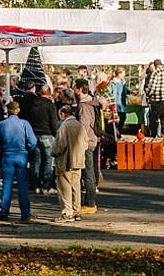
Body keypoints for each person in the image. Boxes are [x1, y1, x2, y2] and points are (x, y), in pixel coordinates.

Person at [0, 101, 37, 222]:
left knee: (7, 184)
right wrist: (27, 149)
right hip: (21, 156)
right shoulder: (24, 124)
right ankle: (25, 213)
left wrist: (1, 150)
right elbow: (33, 141)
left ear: (7, 111)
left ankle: (4, 212)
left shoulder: (1, 124)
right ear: (18, 110)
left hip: (7, 156)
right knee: (23, 185)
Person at [51, 104, 88, 223]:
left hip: (65, 161)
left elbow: (60, 145)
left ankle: (67, 213)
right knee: (76, 187)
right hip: (78, 161)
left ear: (62, 114)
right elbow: (86, 143)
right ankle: (77, 211)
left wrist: (53, 152)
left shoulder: (64, 126)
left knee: (64, 188)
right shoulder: (79, 125)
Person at [21, 83, 58, 191]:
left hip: (34, 134)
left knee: (35, 161)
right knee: (48, 161)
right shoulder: (50, 105)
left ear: (40, 92)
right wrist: (56, 135)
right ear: (49, 93)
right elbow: (54, 122)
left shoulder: (33, 104)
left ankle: (35, 184)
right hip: (47, 134)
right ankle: (46, 185)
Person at [74, 79, 103, 213]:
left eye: (75, 87)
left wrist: (77, 142)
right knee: (91, 172)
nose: (74, 89)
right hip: (94, 139)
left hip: (86, 142)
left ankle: (90, 203)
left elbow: (83, 126)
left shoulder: (84, 105)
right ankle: (90, 202)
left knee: (88, 173)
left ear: (80, 89)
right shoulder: (93, 102)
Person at [145, 60, 164, 139]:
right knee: (163, 120)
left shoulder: (155, 73)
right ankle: (163, 137)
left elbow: (152, 87)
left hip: (156, 100)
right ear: (161, 64)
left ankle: (154, 137)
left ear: (155, 66)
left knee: (153, 119)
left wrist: (148, 94)